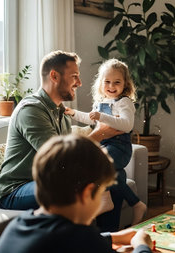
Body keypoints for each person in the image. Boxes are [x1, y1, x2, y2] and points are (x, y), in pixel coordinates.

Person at [0, 50, 121, 211]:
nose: (80, 83)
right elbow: (58, 158)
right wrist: (98, 135)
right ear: (54, 76)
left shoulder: (61, 112)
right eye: (74, 76)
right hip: (16, 189)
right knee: (69, 186)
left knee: (113, 176)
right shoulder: (31, 110)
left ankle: (108, 235)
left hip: (50, 180)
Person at [0, 135, 152, 253]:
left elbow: (64, 241)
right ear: (87, 193)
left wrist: (114, 237)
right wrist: (142, 245)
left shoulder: (19, 224)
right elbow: (80, 241)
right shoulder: (81, 238)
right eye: (101, 193)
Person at [66, 59, 146, 225]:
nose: (112, 86)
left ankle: (108, 199)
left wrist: (102, 117)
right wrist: (73, 113)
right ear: (100, 83)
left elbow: (126, 124)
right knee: (116, 175)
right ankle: (136, 204)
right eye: (107, 82)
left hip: (120, 147)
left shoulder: (124, 102)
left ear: (125, 84)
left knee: (99, 165)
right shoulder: (101, 102)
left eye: (117, 82)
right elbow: (90, 118)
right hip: (105, 145)